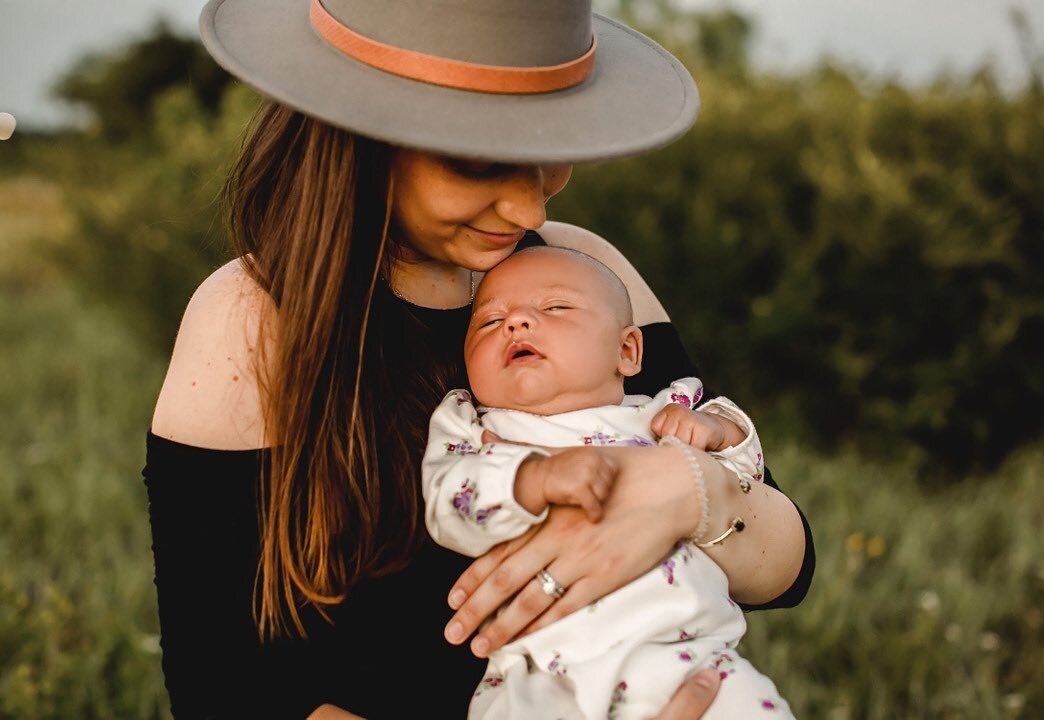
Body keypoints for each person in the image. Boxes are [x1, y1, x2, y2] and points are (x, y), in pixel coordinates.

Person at [144, 1, 815, 717]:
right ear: (359, 134)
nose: (529, 210)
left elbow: (786, 569)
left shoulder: (579, 271)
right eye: (479, 162)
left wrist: (693, 489)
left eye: (550, 142)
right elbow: (221, 684)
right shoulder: (252, 319)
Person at [422, 246, 795, 719]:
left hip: (691, 656)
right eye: (489, 323)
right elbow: (448, 502)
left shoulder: (665, 411)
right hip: (540, 676)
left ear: (627, 350)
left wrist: (722, 432)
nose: (515, 321)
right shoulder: (471, 428)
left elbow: (749, 480)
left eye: (555, 307)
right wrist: (532, 478)